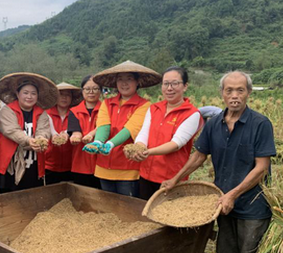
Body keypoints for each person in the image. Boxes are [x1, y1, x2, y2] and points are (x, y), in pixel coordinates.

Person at [162, 71, 276, 253]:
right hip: (222, 202)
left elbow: (261, 167)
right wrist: (175, 179)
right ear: (222, 93)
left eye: (240, 90)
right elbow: (199, 156)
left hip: (253, 205)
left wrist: (233, 194)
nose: (235, 96)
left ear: (249, 93)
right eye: (229, 90)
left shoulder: (260, 124)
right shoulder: (214, 124)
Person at [83, 60, 162, 196]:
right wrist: (98, 142)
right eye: (120, 79)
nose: (124, 83)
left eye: (129, 79)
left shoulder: (144, 105)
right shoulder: (107, 103)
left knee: (127, 205)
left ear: (137, 82)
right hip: (103, 166)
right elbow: (103, 125)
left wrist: (110, 144)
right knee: (107, 204)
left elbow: (130, 129)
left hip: (128, 168)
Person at [130, 66, 203, 200]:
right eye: (166, 84)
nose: (169, 88)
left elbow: (176, 144)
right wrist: (139, 147)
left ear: (185, 86)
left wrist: (147, 152)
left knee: (167, 211)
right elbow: (144, 133)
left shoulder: (192, 114)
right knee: (144, 209)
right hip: (147, 173)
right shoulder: (154, 108)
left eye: (175, 83)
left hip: (171, 179)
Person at [0, 72, 58, 193]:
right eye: (25, 93)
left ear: (37, 96)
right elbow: (12, 130)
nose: (29, 96)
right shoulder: (7, 110)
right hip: (10, 163)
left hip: (34, 163)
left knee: (33, 195)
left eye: (33, 93)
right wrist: (29, 141)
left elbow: (43, 130)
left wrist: (41, 140)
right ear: (17, 94)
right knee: (8, 196)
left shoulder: (41, 113)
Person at [44, 82, 82, 185]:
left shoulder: (77, 114)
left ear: (72, 98)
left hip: (72, 164)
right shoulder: (45, 114)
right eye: (61, 94)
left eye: (68, 95)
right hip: (49, 164)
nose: (64, 97)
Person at [68, 75, 102, 189]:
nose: (91, 92)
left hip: (101, 162)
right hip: (80, 162)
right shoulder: (74, 111)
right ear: (82, 91)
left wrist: (91, 135)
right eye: (87, 89)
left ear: (101, 91)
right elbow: (76, 131)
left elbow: (105, 127)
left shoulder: (106, 109)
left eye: (95, 88)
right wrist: (75, 137)